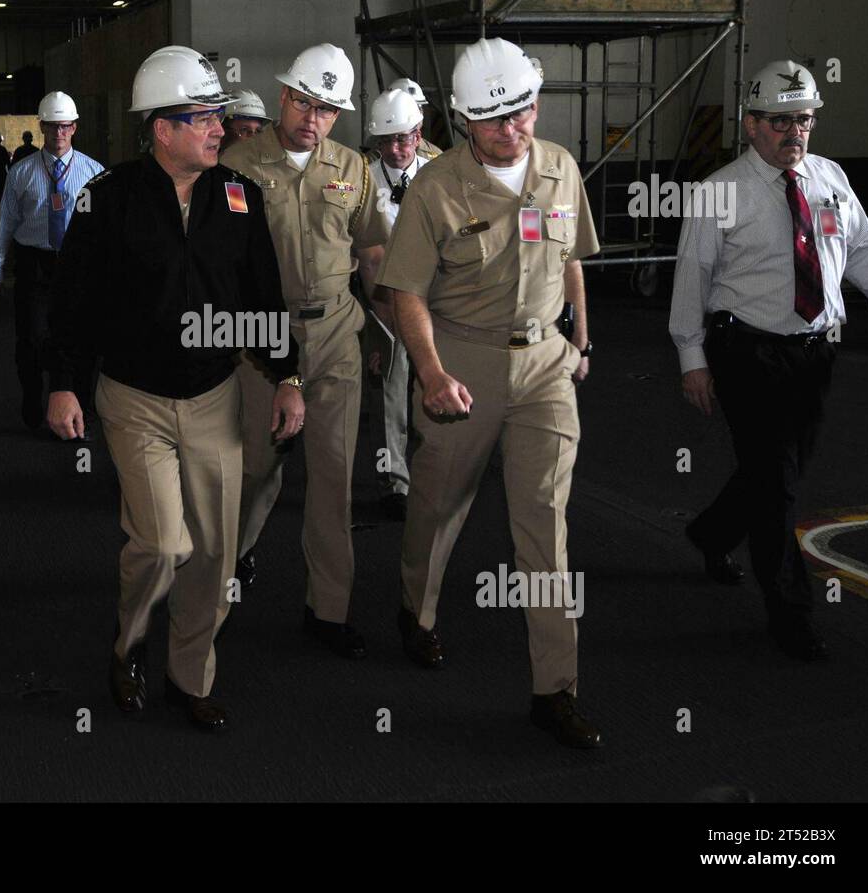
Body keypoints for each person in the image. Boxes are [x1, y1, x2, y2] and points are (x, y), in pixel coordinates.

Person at [46, 45, 304, 731]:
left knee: (216, 551)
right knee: (162, 543)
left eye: (220, 116)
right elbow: (71, 301)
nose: (219, 128)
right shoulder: (107, 201)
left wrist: (287, 377)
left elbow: (263, 297)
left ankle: (191, 673)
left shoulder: (239, 198)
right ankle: (128, 643)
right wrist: (63, 384)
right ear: (161, 129)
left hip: (216, 395)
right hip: (135, 399)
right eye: (204, 118)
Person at [377, 37, 603, 749]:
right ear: (465, 120)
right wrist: (433, 372)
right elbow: (404, 291)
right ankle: (416, 610)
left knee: (545, 525)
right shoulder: (435, 188)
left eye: (526, 111)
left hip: (544, 366)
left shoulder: (561, 168)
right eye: (498, 119)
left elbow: (570, 261)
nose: (517, 129)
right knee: (438, 504)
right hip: (462, 360)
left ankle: (554, 687)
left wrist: (581, 340)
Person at [670, 61, 868, 661]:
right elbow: (693, 278)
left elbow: (867, 255)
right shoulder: (720, 192)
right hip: (747, 352)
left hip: (816, 353)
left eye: (806, 120)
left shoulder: (830, 179)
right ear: (752, 125)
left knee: (776, 472)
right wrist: (692, 357)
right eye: (783, 121)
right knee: (779, 485)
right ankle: (790, 612)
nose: (797, 132)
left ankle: (711, 533)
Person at [220, 43, 391, 658]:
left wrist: (392, 333)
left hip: (336, 338)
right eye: (303, 102)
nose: (311, 118)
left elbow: (372, 254)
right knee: (258, 468)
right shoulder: (236, 165)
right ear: (284, 97)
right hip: (262, 343)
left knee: (334, 480)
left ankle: (329, 610)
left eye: (326, 109)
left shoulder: (352, 168)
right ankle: (229, 563)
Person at [0, 91, 104, 430]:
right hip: (34, 264)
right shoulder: (21, 173)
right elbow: (5, 220)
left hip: (77, 265)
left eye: (65, 127)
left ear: (74, 127)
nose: (59, 134)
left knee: (81, 338)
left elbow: (103, 228)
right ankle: (35, 402)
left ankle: (80, 409)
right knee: (34, 339)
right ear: (41, 128)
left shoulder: (94, 173)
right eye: (52, 127)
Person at [363, 88, 438, 521]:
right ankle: (394, 479)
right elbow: (363, 254)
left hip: (434, 299)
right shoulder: (365, 179)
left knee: (432, 382)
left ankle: (434, 469)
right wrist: (377, 314)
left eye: (402, 139)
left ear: (418, 133)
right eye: (385, 141)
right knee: (390, 388)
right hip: (385, 300)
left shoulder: (439, 175)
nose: (394, 149)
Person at [387, 77, 443, 155]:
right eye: (408, 109)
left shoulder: (436, 156)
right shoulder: (376, 156)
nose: (417, 115)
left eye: (419, 108)